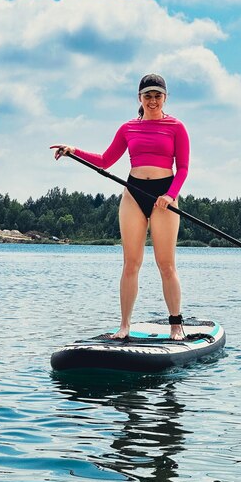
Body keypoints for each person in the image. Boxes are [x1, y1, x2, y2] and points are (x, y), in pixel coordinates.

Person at [50, 74, 190, 340]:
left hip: (164, 197)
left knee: (166, 264)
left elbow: (182, 168)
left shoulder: (177, 127)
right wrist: (73, 150)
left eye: (157, 95)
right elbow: (104, 160)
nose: (152, 100)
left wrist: (170, 195)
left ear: (165, 98)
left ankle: (175, 325)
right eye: (147, 95)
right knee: (130, 263)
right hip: (133, 194)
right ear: (139, 98)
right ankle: (124, 325)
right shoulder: (128, 128)